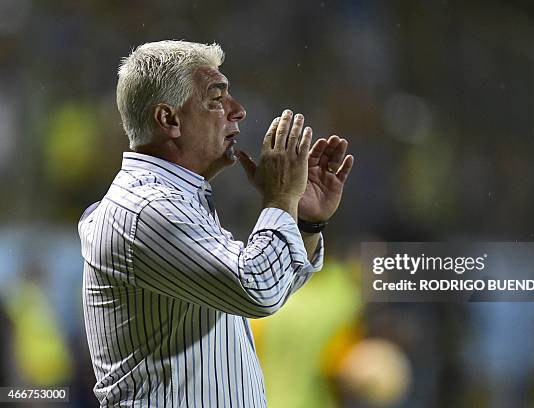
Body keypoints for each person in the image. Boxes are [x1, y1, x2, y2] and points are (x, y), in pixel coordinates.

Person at [78, 40, 353, 407]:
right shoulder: (147, 209)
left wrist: (303, 220)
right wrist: (280, 198)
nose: (237, 111)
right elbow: (259, 289)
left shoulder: (174, 202)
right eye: (216, 98)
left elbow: (270, 284)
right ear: (169, 119)